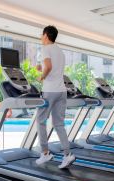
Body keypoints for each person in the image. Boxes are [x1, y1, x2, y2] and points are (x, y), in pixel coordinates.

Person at [35, 25, 76, 169]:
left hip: (50, 90)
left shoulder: (45, 48)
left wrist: (42, 76)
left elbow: (49, 66)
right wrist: (41, 67)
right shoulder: (60, 51)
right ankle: (67, 155)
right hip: (61, 91)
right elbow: (52, 66)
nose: (41, 37)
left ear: (46, 35)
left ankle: (45, 153)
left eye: (42, 34)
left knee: (40, 121)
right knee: (59, 124)